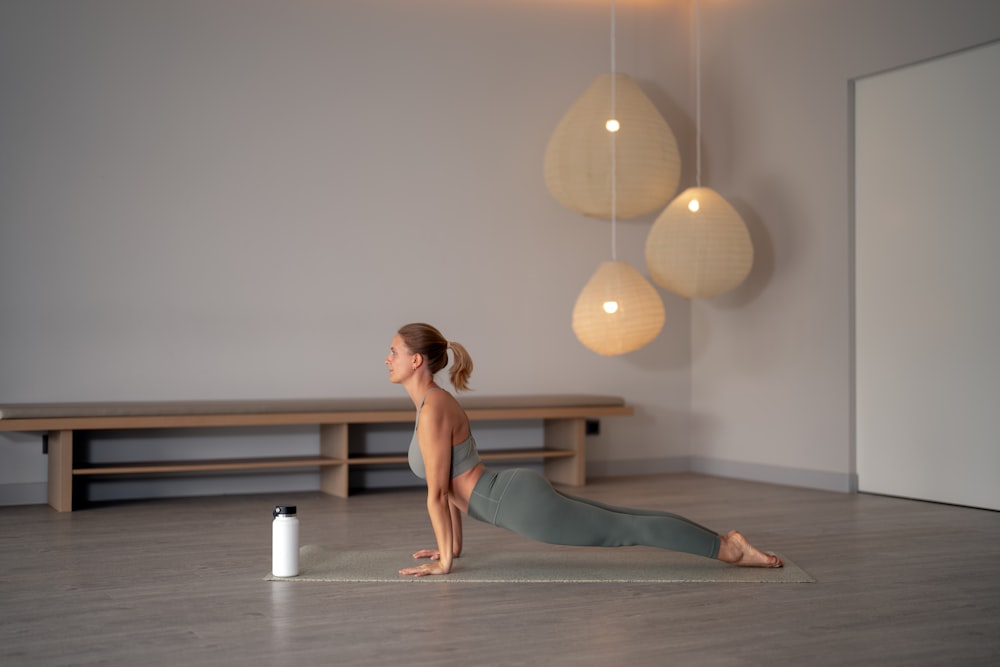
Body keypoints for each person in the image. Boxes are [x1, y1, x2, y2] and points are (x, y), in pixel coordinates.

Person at [386, 322, 783, 577]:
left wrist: (445, 562)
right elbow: (452, 488)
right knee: (628, 519)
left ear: (416, 360)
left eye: (394, 352)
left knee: (626, 529)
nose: (388, 359)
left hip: (517, 505)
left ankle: (730, 551)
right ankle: (726, 541)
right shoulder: (430, 404)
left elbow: (438, 494)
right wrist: (450, 547)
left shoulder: (434, 407)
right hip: (511, 494)